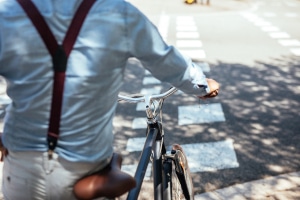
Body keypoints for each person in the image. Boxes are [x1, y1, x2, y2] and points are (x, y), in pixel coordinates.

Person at [0, 0, 219, 199]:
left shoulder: (8, 13)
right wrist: (200, 85)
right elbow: (163, 58)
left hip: (20, 166)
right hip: (83, 168)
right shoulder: (117, 12)